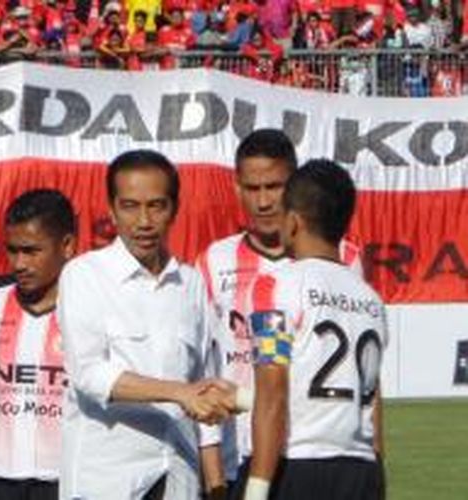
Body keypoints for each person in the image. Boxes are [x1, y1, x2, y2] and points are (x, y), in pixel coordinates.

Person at [58, 149, 237, 500]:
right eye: (130, 206)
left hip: (179, 478)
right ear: (111, 209)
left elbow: (203, 388)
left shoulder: (191, 283)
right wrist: (178, 392)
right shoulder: (84, 275)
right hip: (105, 482)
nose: (143, 221)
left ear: (174, 209)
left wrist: (215, 486)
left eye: (156, 205)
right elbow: (89, 374)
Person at [196, 129, 362, 488]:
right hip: (235, 458)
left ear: (296, 188)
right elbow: (202, 370)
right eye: (252, 189)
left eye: (274, 186)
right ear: (236, 188)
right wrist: (213, 477)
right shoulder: (214, 260)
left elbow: (364, 381)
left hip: (314, 457)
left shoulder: (346, 258)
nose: (264, 201)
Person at [241, 159, 387, 499]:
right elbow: (362, 402)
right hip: (362, 471)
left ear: (293, 221)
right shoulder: (371, 300)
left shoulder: (274, 286)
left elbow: (273, 395)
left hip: (299, 468)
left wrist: (256, 491)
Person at [0, 189, 77, 500]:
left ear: (67, 246)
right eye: (13, 250)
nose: (19, 263)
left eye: (32, 251)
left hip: (68, 480)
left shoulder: (91, 310)